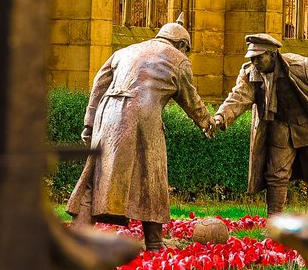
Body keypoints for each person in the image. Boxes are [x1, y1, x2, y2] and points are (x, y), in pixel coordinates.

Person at [66, 16, 214, 250]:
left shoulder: (126, 50)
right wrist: (207, 122)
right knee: (152, 175)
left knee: (96, 171)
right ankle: (154, 243)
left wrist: (90, 123)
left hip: (108, 112)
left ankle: (78, 233)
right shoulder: (179, 60)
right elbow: (190, 99)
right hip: (142, 115)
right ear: (182, 45)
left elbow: (99, 84)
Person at [213, 33, 308, 213]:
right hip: (279, 128)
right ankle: (273, 220)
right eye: (252, 58)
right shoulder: (250, 73)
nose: (255, 62)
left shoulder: (299, 66)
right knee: (275, 175)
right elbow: (238, 97)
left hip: (307, 128)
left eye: (258, 57)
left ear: (272, 55)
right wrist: (221, 116)